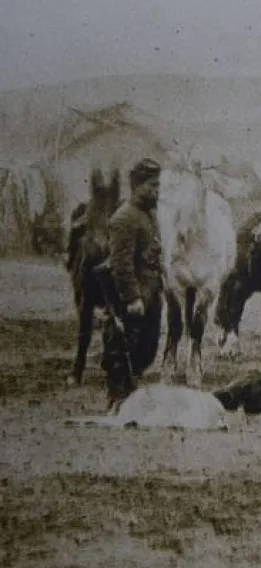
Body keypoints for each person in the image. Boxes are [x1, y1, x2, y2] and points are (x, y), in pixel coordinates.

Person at [101, 158, 166, 409]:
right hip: (134, 298)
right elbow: (121, 264)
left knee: (147, 349)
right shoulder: (124, 218)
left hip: (151, 293)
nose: (157, 191)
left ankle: (131, 393)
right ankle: (118, 398)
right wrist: (132, 298)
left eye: (158, 185)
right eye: (152, 185)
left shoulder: (148, 214)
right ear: (137, 186)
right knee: (123, 348)